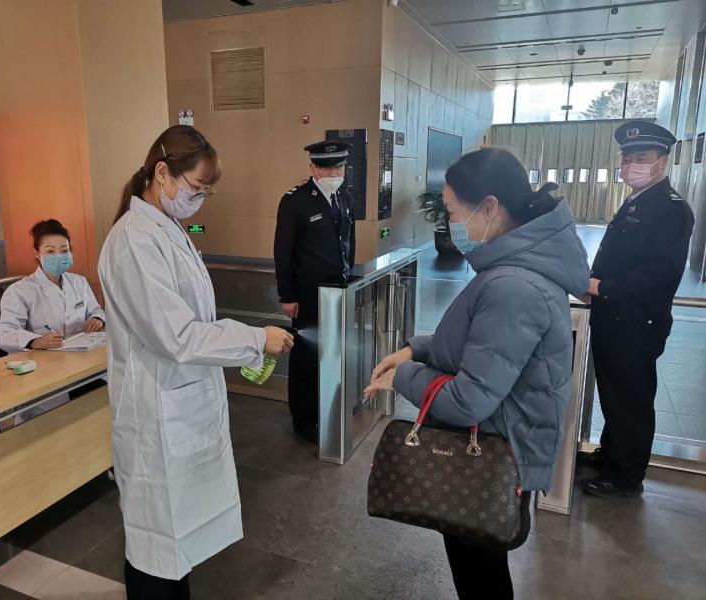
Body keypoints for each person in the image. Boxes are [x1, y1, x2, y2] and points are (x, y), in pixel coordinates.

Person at [364, 148, 590, 599]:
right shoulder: (512, 267)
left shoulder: (513, 285)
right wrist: (415, 349)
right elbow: (479, 342)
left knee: (481, 573)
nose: (449, 224)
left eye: (452, 212)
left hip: (492, 451)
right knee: (478, 567)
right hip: (497, 438)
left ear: (489, 207)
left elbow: (469, 400)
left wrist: (402, 377)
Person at [98, 125, 294, 600]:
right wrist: (254, 339)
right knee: (156, 549)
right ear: (162, 173)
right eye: (196, 188)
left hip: (182, 403)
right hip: (155, 413)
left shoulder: (167, 231)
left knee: (176, 544)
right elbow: (176, 335)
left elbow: (193, 322)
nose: (199, 200)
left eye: (207, 192)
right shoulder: (134, 240)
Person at [582, 122, 694, 498]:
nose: (631, 165)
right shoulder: (638, 200)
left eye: (641, 158)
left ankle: (626, 476)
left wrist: (603, 287)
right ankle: (612, 455)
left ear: (662, 161)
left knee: (631, 398)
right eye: (627, 158)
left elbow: (659, 272)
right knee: (615, 393)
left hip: (636, 320)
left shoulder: (671, 209)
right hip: (614, 315)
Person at [274, 140, 356, 442]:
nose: (334, 173)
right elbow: (283, 252)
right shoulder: (295, 201)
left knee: (333, 352)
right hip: (308, 294)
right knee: (307, 357)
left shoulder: (345, 197)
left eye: (339, 167)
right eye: (327, 167)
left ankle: (328, 408)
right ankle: (304, 418)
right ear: (313, 168)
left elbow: (348, 241)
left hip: (338, 290)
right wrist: (287, 296)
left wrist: (349, 276)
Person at [0, 219, 104, 353]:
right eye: (50, 251)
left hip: (82, 353)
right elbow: (5, 332)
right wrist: (35, 341)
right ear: (37, 254)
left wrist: (97, 318)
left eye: (64, 250)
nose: (58, 256)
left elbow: (95, 309)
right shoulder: (19, 291)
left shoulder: (79, 281)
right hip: (43, 358)